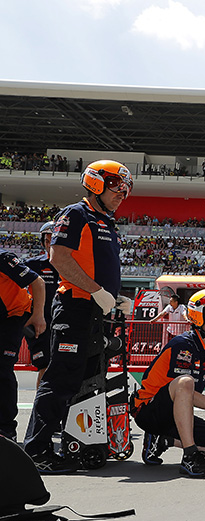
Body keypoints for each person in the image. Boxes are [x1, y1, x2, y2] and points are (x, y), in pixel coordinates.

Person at [23, 160, 132, 473]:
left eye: (125, 188)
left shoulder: (107, 222)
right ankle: (37, 451)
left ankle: (79, 444)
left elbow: (96, 267)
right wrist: (97, 291)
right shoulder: (77, 213)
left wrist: (115, 297)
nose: (121, 193)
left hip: (95, 312)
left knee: (86, 380)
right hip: (75, 308)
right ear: (96, 184)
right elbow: (59, 258)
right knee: (61, 380)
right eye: (116, 186)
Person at [132, 289, 205, 478]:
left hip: (175, 415)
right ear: (198, 314)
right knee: (186, 382)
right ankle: (190, 456)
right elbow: (186, 392)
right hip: (148, 411)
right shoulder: (183, 345)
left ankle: (163, 441)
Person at [0, 252, 46, 441]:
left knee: (2, 370)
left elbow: (38, 282)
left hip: (13, 317)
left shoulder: (4, 259)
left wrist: (38, 315)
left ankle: (6, 429)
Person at [22, 221, 60, 388]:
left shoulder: (73, 266)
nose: (49, 243)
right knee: (45, 366)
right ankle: (41, 409)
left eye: (54, 239)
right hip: (39, 326)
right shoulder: (32, 264)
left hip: (64, 324)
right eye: (47, 239)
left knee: (64, 367)